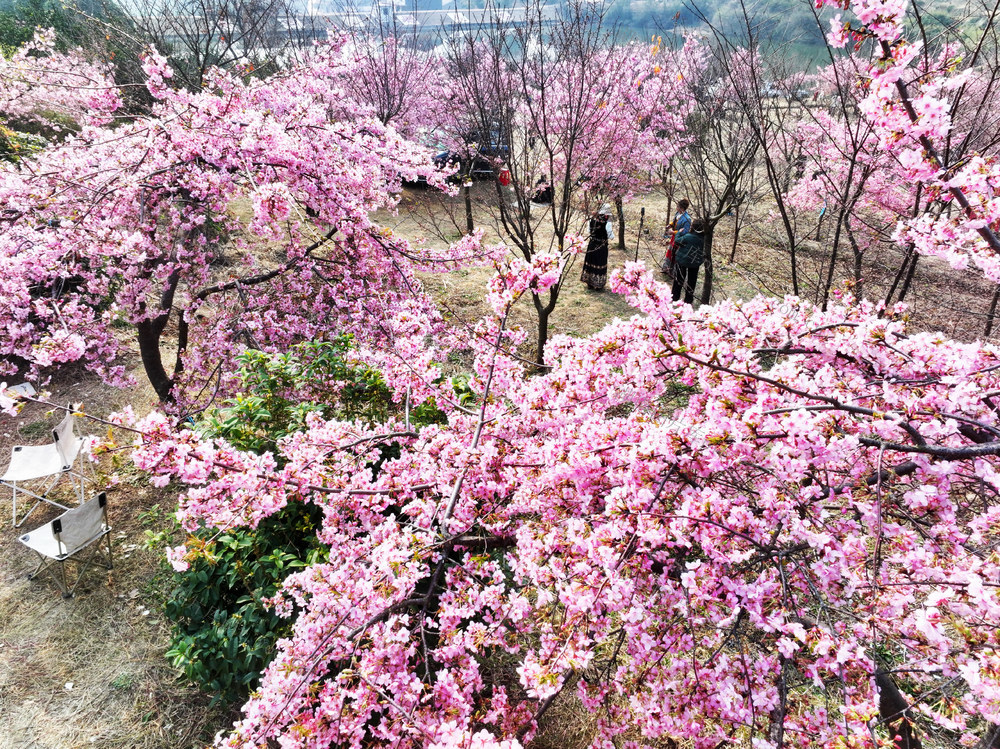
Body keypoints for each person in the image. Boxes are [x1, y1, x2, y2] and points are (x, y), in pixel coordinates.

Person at [671, 218, 706, 305]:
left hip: (682, 261)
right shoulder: (704, 239)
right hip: (695, 263)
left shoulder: (688, 237)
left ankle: (675, 297)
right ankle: (688, 300)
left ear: (693, 227)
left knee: (679, 280)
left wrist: (679, 233)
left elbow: (677, 241)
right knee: (692, 281)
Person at [581, 204, 611, 291]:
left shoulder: (592, 219)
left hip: (592, 244)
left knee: (591, 262)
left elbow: (588, 231)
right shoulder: (607, 222)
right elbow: (610, 234)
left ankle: (589, 283)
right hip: (601, 245)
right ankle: (598, 285)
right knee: (600, 262)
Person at [661, 198, 691, 274]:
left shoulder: (687, 219)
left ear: (682, 208)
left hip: (680, 238)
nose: (676, 208)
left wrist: (673, 232)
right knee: (670, 252)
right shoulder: (678, 214)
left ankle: (673, 271)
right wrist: (670, 225)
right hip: (674, 237)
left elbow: (685, 231)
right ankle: (666, 268)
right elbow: (674, 221)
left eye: (678, 206)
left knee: (676, 254)